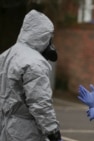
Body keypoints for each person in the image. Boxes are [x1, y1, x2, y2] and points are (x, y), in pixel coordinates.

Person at [0, 10, 62, 141]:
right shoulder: (35, 62)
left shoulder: (6, 55)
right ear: (43, 36)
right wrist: (53, 131)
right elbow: (39, 102)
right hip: (24, 132)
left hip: (5, 126)